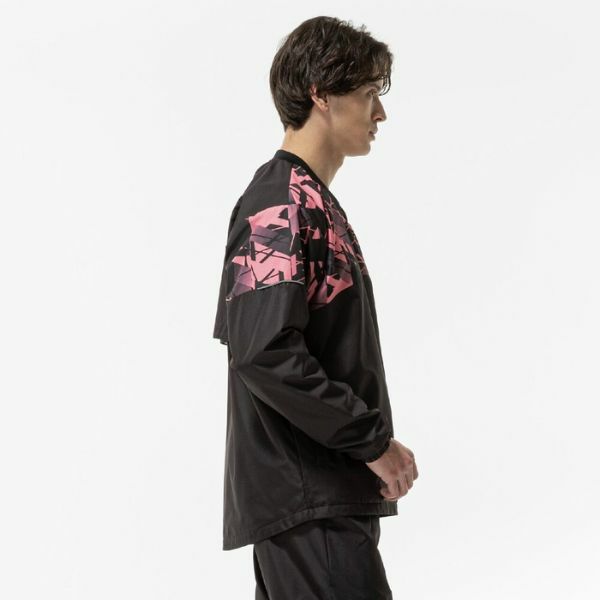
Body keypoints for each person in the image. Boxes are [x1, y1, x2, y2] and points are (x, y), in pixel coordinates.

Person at [212, 15, 419, 599]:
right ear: (322, 94)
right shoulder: (277, 204)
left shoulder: (308, 202)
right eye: (369, 93)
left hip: (322, 499)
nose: (380, 113)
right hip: (308, 502)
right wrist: (371, 442)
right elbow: (264, 351)